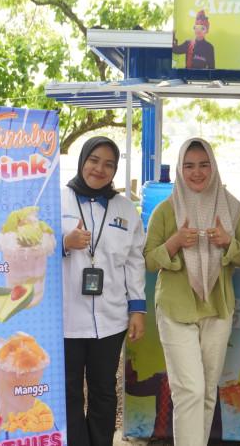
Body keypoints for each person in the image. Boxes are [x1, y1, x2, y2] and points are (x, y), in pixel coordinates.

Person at [144, 138, 240, 446]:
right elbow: (149, 260)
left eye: (204, 165)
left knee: (206, 392)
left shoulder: (232, 208)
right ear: (180, 170)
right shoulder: (166, 211)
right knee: (189, 390)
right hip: (176, 308)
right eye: (189, 166)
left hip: (217, 308)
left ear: (214, 167)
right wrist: (175, 242)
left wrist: (227, 242)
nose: (197, 172)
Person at [61, 136, 146, 446]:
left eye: (109, 164)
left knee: (104, 391)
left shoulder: (126, 208)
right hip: (66, 317)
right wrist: (64, 244)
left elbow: (134, 261)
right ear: (82, 160)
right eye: (94, 160)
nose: (100, 169)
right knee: (69, 390)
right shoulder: (58, 200)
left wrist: (137, 309)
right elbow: (32, 247)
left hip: (111, 319)